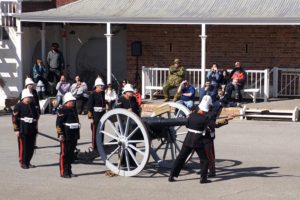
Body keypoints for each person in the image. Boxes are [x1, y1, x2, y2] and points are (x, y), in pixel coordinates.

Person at [169, 95, 213, 184]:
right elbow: (211, 127)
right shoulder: (206, 118)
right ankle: (203, 178)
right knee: (204, 160)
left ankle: (172, 175)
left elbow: (187, 125)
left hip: (188, 138)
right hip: (198, 140)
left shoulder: (191, 116)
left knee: (181, 157)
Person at [12, 89, 39, 169]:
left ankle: (28, 161)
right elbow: (14, 118)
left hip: (32, 129)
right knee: (24, 147)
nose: (29, 99)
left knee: (31, 147)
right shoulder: (18, 106)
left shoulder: (32, 105)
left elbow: (36, 115)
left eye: (30, 97)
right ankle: (22, 162)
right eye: (28, 97)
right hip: (23, 129)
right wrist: (16, 129)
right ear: (24, 97)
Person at [56, 92, 80, 178]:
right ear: (66, 102)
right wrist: (60, 134)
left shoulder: (74, 109)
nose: (73, 103)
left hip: (73, 135)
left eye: (73, 101)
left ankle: (69, 171)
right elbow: (58, 124)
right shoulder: (62, 109)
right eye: (71, 101)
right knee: (64, 154)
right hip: (66, 135)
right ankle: (63, 172)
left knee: (70, 154)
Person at [87, 77, 106, 151]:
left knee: (102, 129)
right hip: (95, 114)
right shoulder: (92, 94)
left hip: (102, 113)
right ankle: (95, 146)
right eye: (100, 86)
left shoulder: (102, 93)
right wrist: (90, 116)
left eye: (102, 86)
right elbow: (89, 105)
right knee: (95, 130)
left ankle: (101, 144)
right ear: (96, 86)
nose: (102, 87)